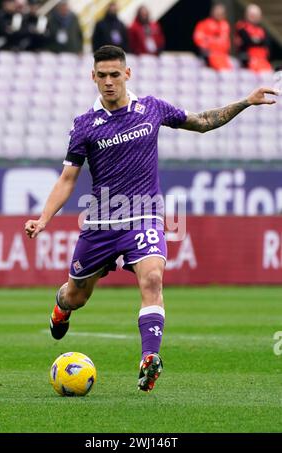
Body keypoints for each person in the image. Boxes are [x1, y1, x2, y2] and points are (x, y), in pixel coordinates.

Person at [25, 45, 277, 392]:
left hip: (145, 216)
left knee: (153, 279)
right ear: (93, 77)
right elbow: (68, 178)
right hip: (101, 223)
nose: (109, 82)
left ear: (127, 74)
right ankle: (61, 307)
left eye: (115, 74)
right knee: (76, 296)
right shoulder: (85, 125)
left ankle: (149, 358)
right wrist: (43, 218)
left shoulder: (152, 108)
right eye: (102, 76)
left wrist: (245, 101)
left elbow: (203, 123)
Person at [193, 3, 232, 70]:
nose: (219, 14)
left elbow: (226, 41)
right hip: (210, 55)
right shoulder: (203, 24)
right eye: (217, 12)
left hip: (223, 56)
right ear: (212, 12)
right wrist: (209, 48)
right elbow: (198, 39)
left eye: (221, 13)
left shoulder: (225, 25)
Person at [235, 3, 272, 72]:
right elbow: (247, 41)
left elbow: (266, 41)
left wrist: (255, 40)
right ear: (247, 15)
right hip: (248, 60)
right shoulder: (242, 26)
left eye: (257, 15)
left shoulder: (261, 29)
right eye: (253, 15)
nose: (255, 18)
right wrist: (259, 41)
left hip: (262, 60)